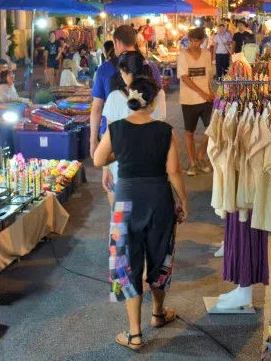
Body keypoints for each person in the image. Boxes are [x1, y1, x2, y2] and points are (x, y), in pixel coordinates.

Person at [93, 76, 188, 352]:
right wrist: (183, 201)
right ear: (155, 100)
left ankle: (135, 334)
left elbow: (99, 159)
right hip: (159, 200)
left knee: (127, 263)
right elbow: (173, 171)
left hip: (125, 202)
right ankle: (158, 314)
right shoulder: (165, 130)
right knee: (160, 257)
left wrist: (121, 155)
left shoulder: (117, 129)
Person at [101, 51, 168, 206]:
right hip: (153, 173)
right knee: (148, 221)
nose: (121, 75)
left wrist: (106, 168)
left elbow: (108, 138)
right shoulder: (159, 96)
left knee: (120, 223)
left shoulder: (114, 98)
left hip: (122, 173)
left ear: (127, 71)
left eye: (122, 71)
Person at [90, 25, 162, 158]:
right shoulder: (150, 67)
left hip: (113, 140)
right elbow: (159, 105)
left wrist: (93, 141)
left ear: (116, 42)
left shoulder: (104, 70)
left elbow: (97, 108)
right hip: (147, 136)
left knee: (117, 174)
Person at [178, 27, 214, 176]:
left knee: (210, 130)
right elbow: (184, 77)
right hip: (188, 99)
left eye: (196, 41)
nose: (193, 44)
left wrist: (210, 91)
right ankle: (193, 163)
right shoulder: (183, 55)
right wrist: (201, 93)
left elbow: (207, 75)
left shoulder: (206, 54)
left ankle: (200, 155)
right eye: (191, 41)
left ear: (202, 41)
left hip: (206, 98)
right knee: (189, 132)